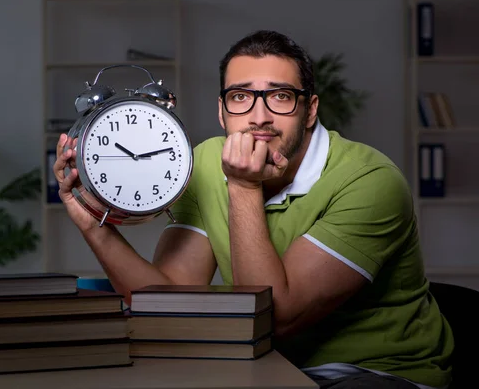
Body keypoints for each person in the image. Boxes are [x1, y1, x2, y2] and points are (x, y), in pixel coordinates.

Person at [54, 30, 454, 389]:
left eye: (280, 96)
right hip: (264, 369)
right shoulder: (204, 162)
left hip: (375, 372)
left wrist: (244, 185)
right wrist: (94, 226)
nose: (259, 117)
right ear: (222, 111)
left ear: (310, 109)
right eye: (241, 97)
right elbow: (170, 303)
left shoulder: (371, 180)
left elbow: (275, 319)